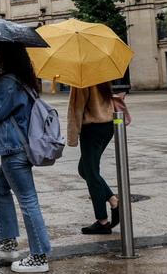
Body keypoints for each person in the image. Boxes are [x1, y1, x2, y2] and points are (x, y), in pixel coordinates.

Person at [0, 44, 52, 273]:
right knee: (0, 188)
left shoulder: (9, 81)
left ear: (6, 55)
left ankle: (39, 257)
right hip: (19, 147)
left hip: (15, 149)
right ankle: (8, 242)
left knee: (28, 200)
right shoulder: (25, 79)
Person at [67, 82, 120, 235]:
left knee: (91, 173)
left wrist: (72, 137)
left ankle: (102, 221)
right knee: (84, 169)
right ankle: (112, 200)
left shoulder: (81, 80)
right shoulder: (100, 75)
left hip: (92, 129)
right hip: (107, 125)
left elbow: (76, 108)